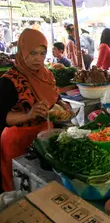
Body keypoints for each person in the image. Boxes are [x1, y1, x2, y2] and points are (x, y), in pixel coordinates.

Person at [0, 29, 69, 191]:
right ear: (22, 52)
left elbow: (54, 95)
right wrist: (29, 114)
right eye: (32, 53)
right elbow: (2, 116)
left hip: (45, 137)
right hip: (18, 141)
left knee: (46, 186)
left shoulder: (46, 74)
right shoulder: (9, 81)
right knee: (20, 188)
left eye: (42, 53)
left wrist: (62, 103)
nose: (38, 59)